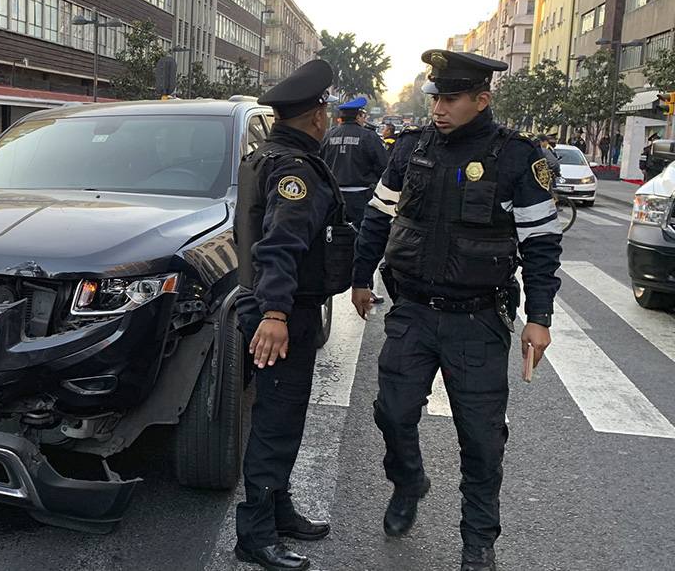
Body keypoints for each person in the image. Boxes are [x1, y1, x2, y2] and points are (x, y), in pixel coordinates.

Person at [352, 50, 562, 571]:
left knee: (482, 440)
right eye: (435, 98)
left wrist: (540, 317)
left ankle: (478, 545)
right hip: (414, 311)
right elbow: (377, 216)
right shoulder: (411, 148)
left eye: (450, 99)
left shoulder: (517, 157)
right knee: (392, 413)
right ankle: (409, 481)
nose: (438, 108)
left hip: (477, 318)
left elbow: (540, 243)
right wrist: (360, 278)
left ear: (481, 99)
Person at [233, 59, 348, 571]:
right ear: (318, 115)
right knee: (276, 425)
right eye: (325, 109)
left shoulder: (267, 154)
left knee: (282, 420)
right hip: (281, 311)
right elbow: (279, 245)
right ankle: (255, 534)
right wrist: (276, 312)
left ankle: (278, 511)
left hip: (273, 306)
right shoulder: (296, 168)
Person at [320, 97, 389, 305]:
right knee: (364, 243)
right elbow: (384, 167)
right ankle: (364, 285)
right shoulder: (369, 137)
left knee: (329, 242)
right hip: (361, 199)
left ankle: (326, 285)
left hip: (332, 199)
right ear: (359, 116)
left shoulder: (328, 136)